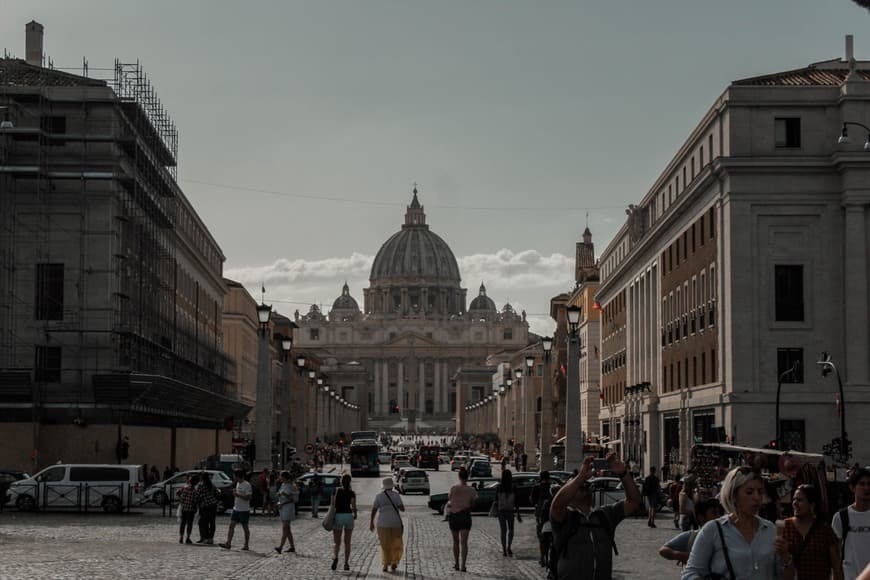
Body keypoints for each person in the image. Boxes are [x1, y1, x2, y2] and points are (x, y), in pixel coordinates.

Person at [549, 453, 641, 580]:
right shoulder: (565, 517)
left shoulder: (605, 515)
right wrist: (580, 477)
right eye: (575, 484)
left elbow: (634, 502)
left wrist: (623, 473)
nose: (581, 484)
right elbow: (557, 506)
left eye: (584, 483)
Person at [682, 466, 782, 579]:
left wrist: (786, 558)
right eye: (749, 492)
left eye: (760, 492)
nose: (757, 497)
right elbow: (690, 573)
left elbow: (783, 575)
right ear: (733, 495)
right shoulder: (713, 530)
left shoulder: (770, 529)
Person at [777, 484, 843, 580]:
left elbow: (836, 566)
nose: (795, 503)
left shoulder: (824, 530)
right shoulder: (784, 527)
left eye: (800, 500)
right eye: (794, 499)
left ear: (812, 504)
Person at [659, 498, 722, 565]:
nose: (719, 517)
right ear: (701, 517)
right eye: (714, 513)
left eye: (719, 513)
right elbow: (663, 550)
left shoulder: (724, 535)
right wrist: (686, 556)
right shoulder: (692, 536)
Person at [833, 467, 870, 580]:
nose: (866, 488)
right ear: (852, 487)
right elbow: (835, 554)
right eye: (862, 484)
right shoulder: (841, 517)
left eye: (869, 484)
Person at [371, 476, 405, 573]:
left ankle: (385, 565)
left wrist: (371, 522)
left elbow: (374, 510)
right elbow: (402, 509)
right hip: (395, 523)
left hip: (383, 523)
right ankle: (394, 562)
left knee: (385, 545)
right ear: (392, 486)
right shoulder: (396, 495)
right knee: (396, 543)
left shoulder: (379, 496)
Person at [448, 467, 479, 572]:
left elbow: (450, 499)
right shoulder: (472, 490)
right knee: (464, 542)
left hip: (454, 516)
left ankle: (456, 563)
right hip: (465, 516)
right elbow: (474, 504)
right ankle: (463, 565)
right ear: (467, 477)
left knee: (455, 542)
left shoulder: (453, 488)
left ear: (459, 477)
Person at [219, 469, 252, 551]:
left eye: (234, 476)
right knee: (231, 525)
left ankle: (246, 544)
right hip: (236, 508)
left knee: (245, 527)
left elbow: (248, 497)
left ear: (238, 476)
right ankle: (228, 543)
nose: (233, 477)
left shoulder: (247, 485)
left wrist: (238, 495)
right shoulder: (237, 483)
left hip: (244, 510)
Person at [330, 473, 357, 571]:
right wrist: (355, 515)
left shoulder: (336, 491)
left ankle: (336, 557)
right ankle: (346, 563)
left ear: (341, 481)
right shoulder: (351, 492)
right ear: (350, 482)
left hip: (338, 516)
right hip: (348, 516)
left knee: (337, 542)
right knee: (347, 542)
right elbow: (353, 506)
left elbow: (332, 503)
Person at [494, 469, 522, 556]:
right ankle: (509, 546)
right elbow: (517, 501)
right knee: (511, 529)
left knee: (503, 531)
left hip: (501, 511)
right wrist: (518, 513)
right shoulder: (513, 487)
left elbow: (496, 500)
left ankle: (504, 549)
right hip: (510, 510)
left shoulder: (499, 487)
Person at [531, 471, 553, 568]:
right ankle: (549, 558)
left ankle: (542, 558)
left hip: (540, 515)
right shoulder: (552, 487)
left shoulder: (537, 487)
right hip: (551, 514)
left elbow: (532, 500)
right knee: (552, 537)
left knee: (541, 537)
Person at [274, 471, 298, 554]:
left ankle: (280, 547)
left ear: (284, 477)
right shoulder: (283, 485)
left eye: (281, 476)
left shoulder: (292, 486)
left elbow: (293, 499)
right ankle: (292, 547)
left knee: (285, 527)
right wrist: (279, 495)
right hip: (282, 507)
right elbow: (281, 494)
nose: (280, 478)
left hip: (288, 508)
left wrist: (284, 496)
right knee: (287, 529)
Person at [195, 472, 220, 544]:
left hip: (205, 506)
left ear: (202, 477)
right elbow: (218, 493)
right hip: (213, 505)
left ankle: (205, 538)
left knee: (203, 522)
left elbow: (197, 496)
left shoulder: (200, 485)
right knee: (212, 522)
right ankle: (211, 538)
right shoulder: (211, 484)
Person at [176, 473, 199, 545]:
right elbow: (195, 501)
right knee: (189, 524)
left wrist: (181, 501)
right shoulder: (195, 491)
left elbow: (179, 495)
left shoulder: (185, 488)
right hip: (191, 510)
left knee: (183, 523)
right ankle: (188, 538)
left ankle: (181, 537)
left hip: (184, 509)